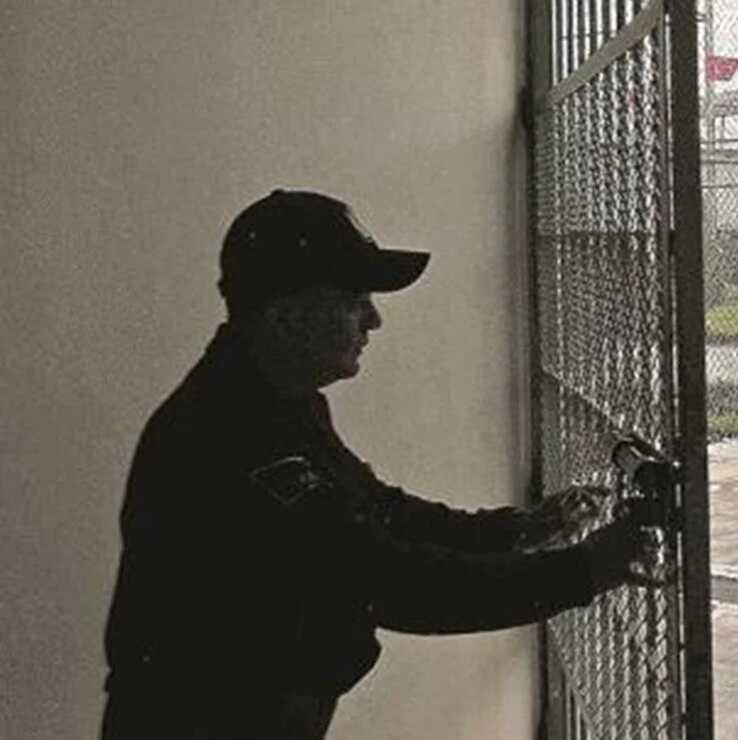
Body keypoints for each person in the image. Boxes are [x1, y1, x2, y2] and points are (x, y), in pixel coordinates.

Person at [101, 189, 662, 738]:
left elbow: (378, 512)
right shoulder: (232, 438)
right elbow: (389, 581)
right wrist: (587, 568)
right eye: (353, 300)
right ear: (287, 318)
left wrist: (524, 529)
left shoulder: (276, 402)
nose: (373, 320)